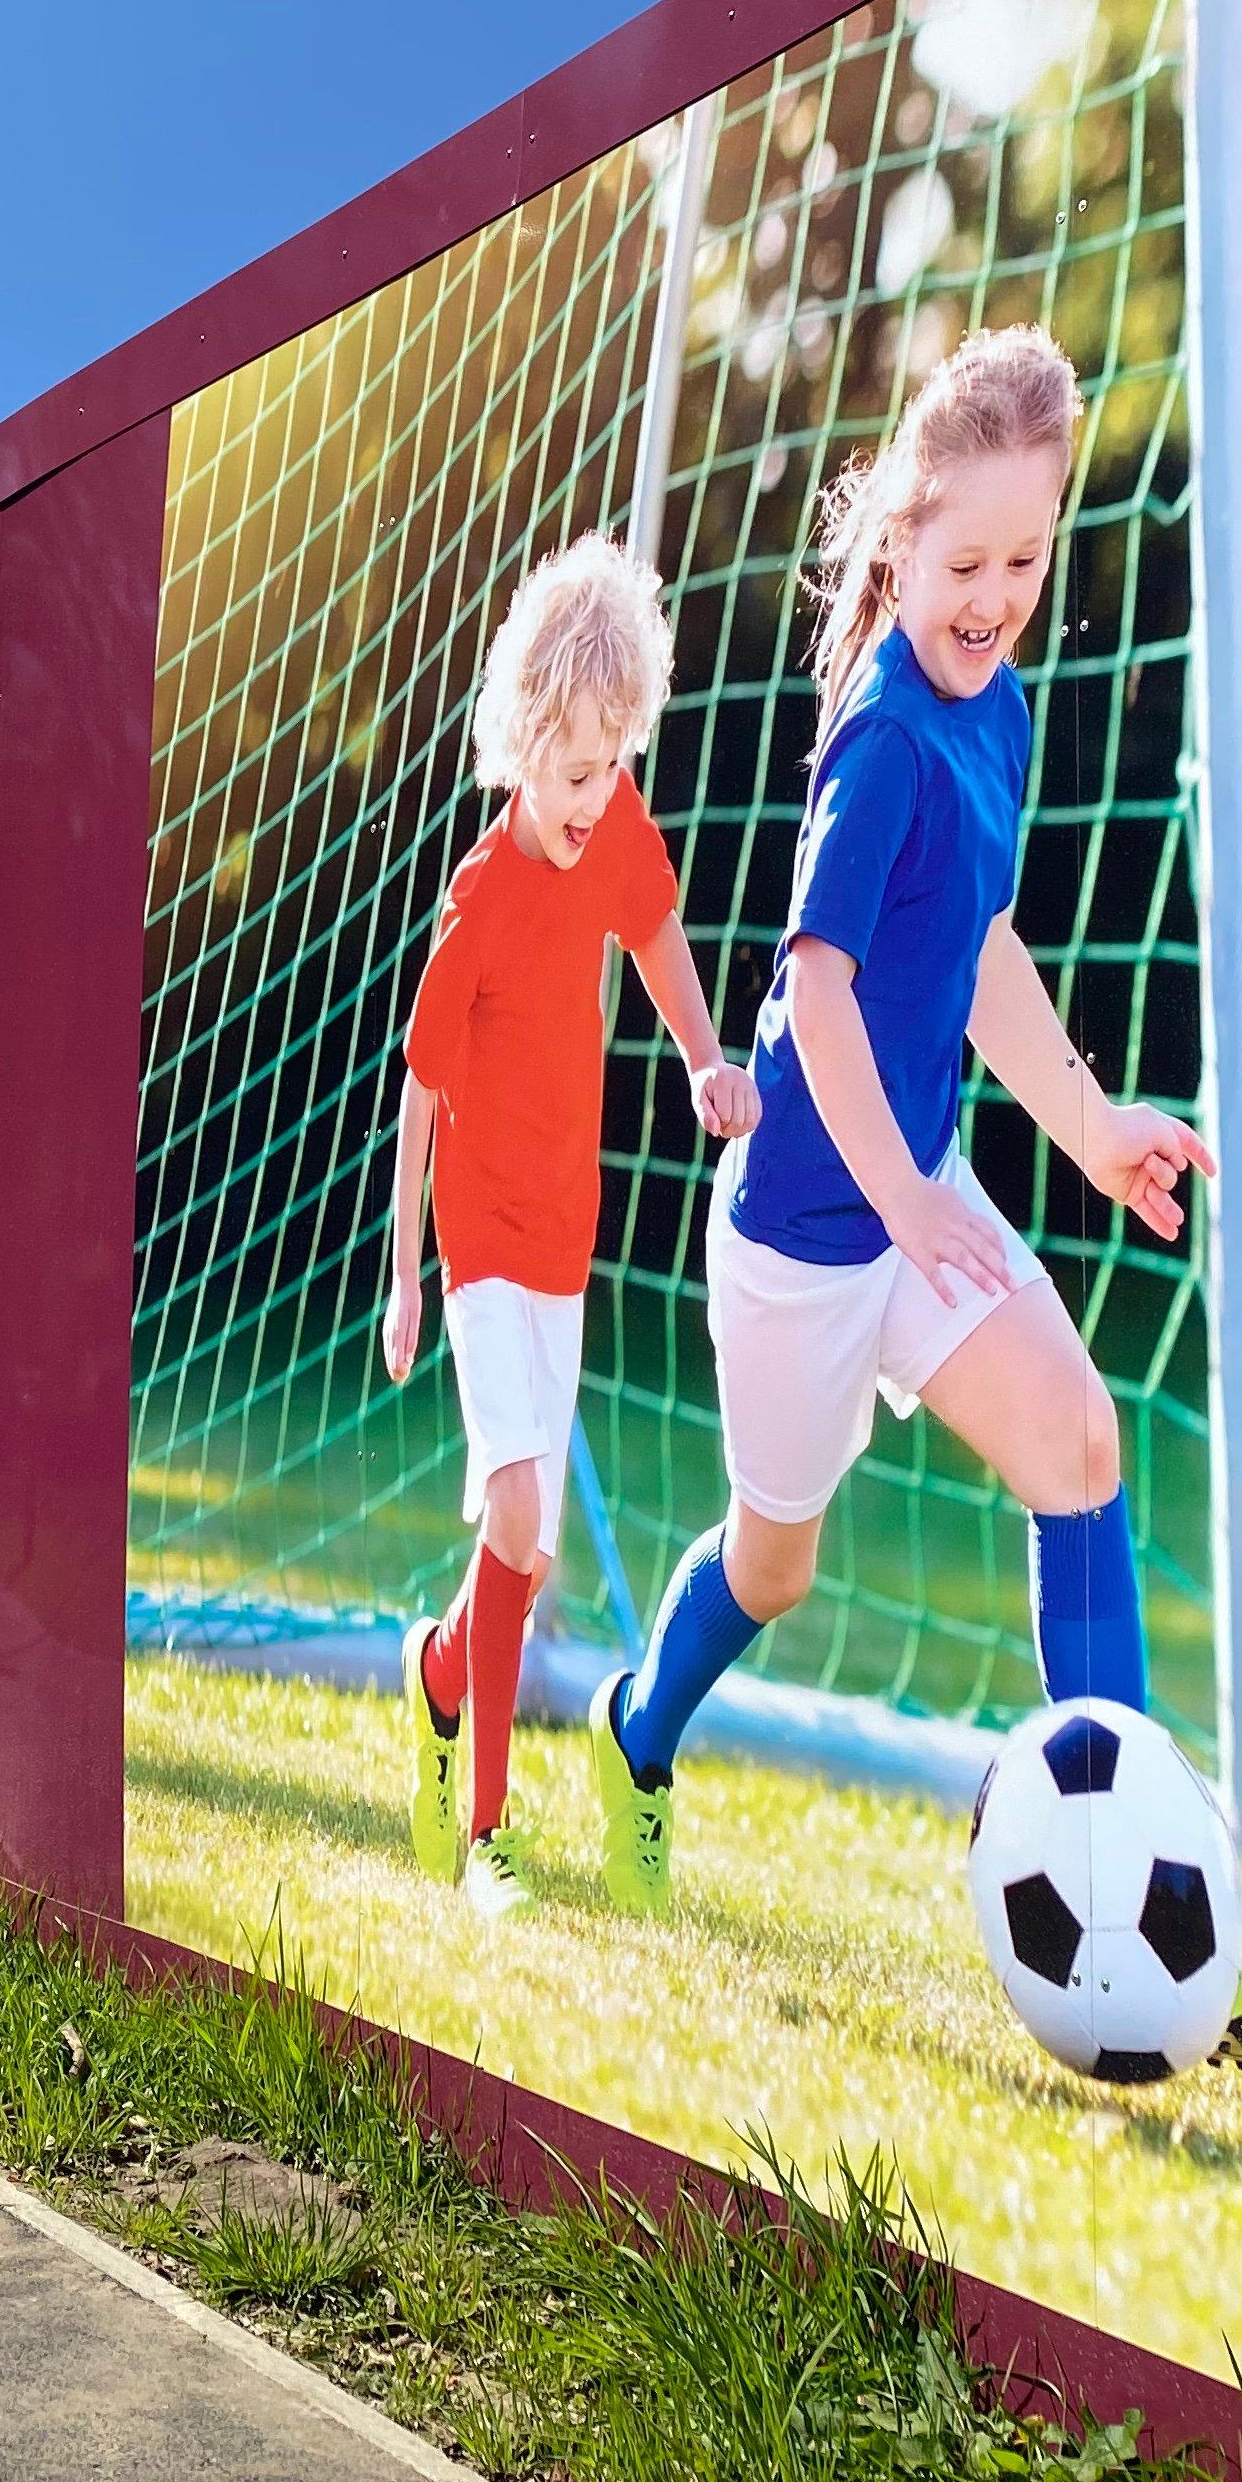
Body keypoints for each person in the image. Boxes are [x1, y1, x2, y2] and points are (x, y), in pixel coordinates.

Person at [583, 325, 1242, 2067]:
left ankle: (1151, 1916)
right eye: (965, 561)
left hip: (922, 1201)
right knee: (775, 1566)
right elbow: (820, 994)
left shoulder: (1004, 720)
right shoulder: (886, 745)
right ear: (900, 542)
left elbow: (982, 949)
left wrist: (1089, 1126)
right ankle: (634, 1732)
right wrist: (904, 1201)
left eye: (1024, 562)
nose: (994, 598)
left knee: (1081, 1444)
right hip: (804, 1236)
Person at [383, 536, 752, 1917]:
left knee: (525, 1553)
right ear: (522, 743)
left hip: (564, 1238)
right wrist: (405, 1279)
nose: (596, 796)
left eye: (613, 765)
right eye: (575, 769)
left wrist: (706, 1058)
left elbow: (652, 931)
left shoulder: (618, 822)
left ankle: (439, 1675)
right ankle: (489, 1841)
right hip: (478, 1240)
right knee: (522, 1507)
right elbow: (421, 1091)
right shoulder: (480, 898)